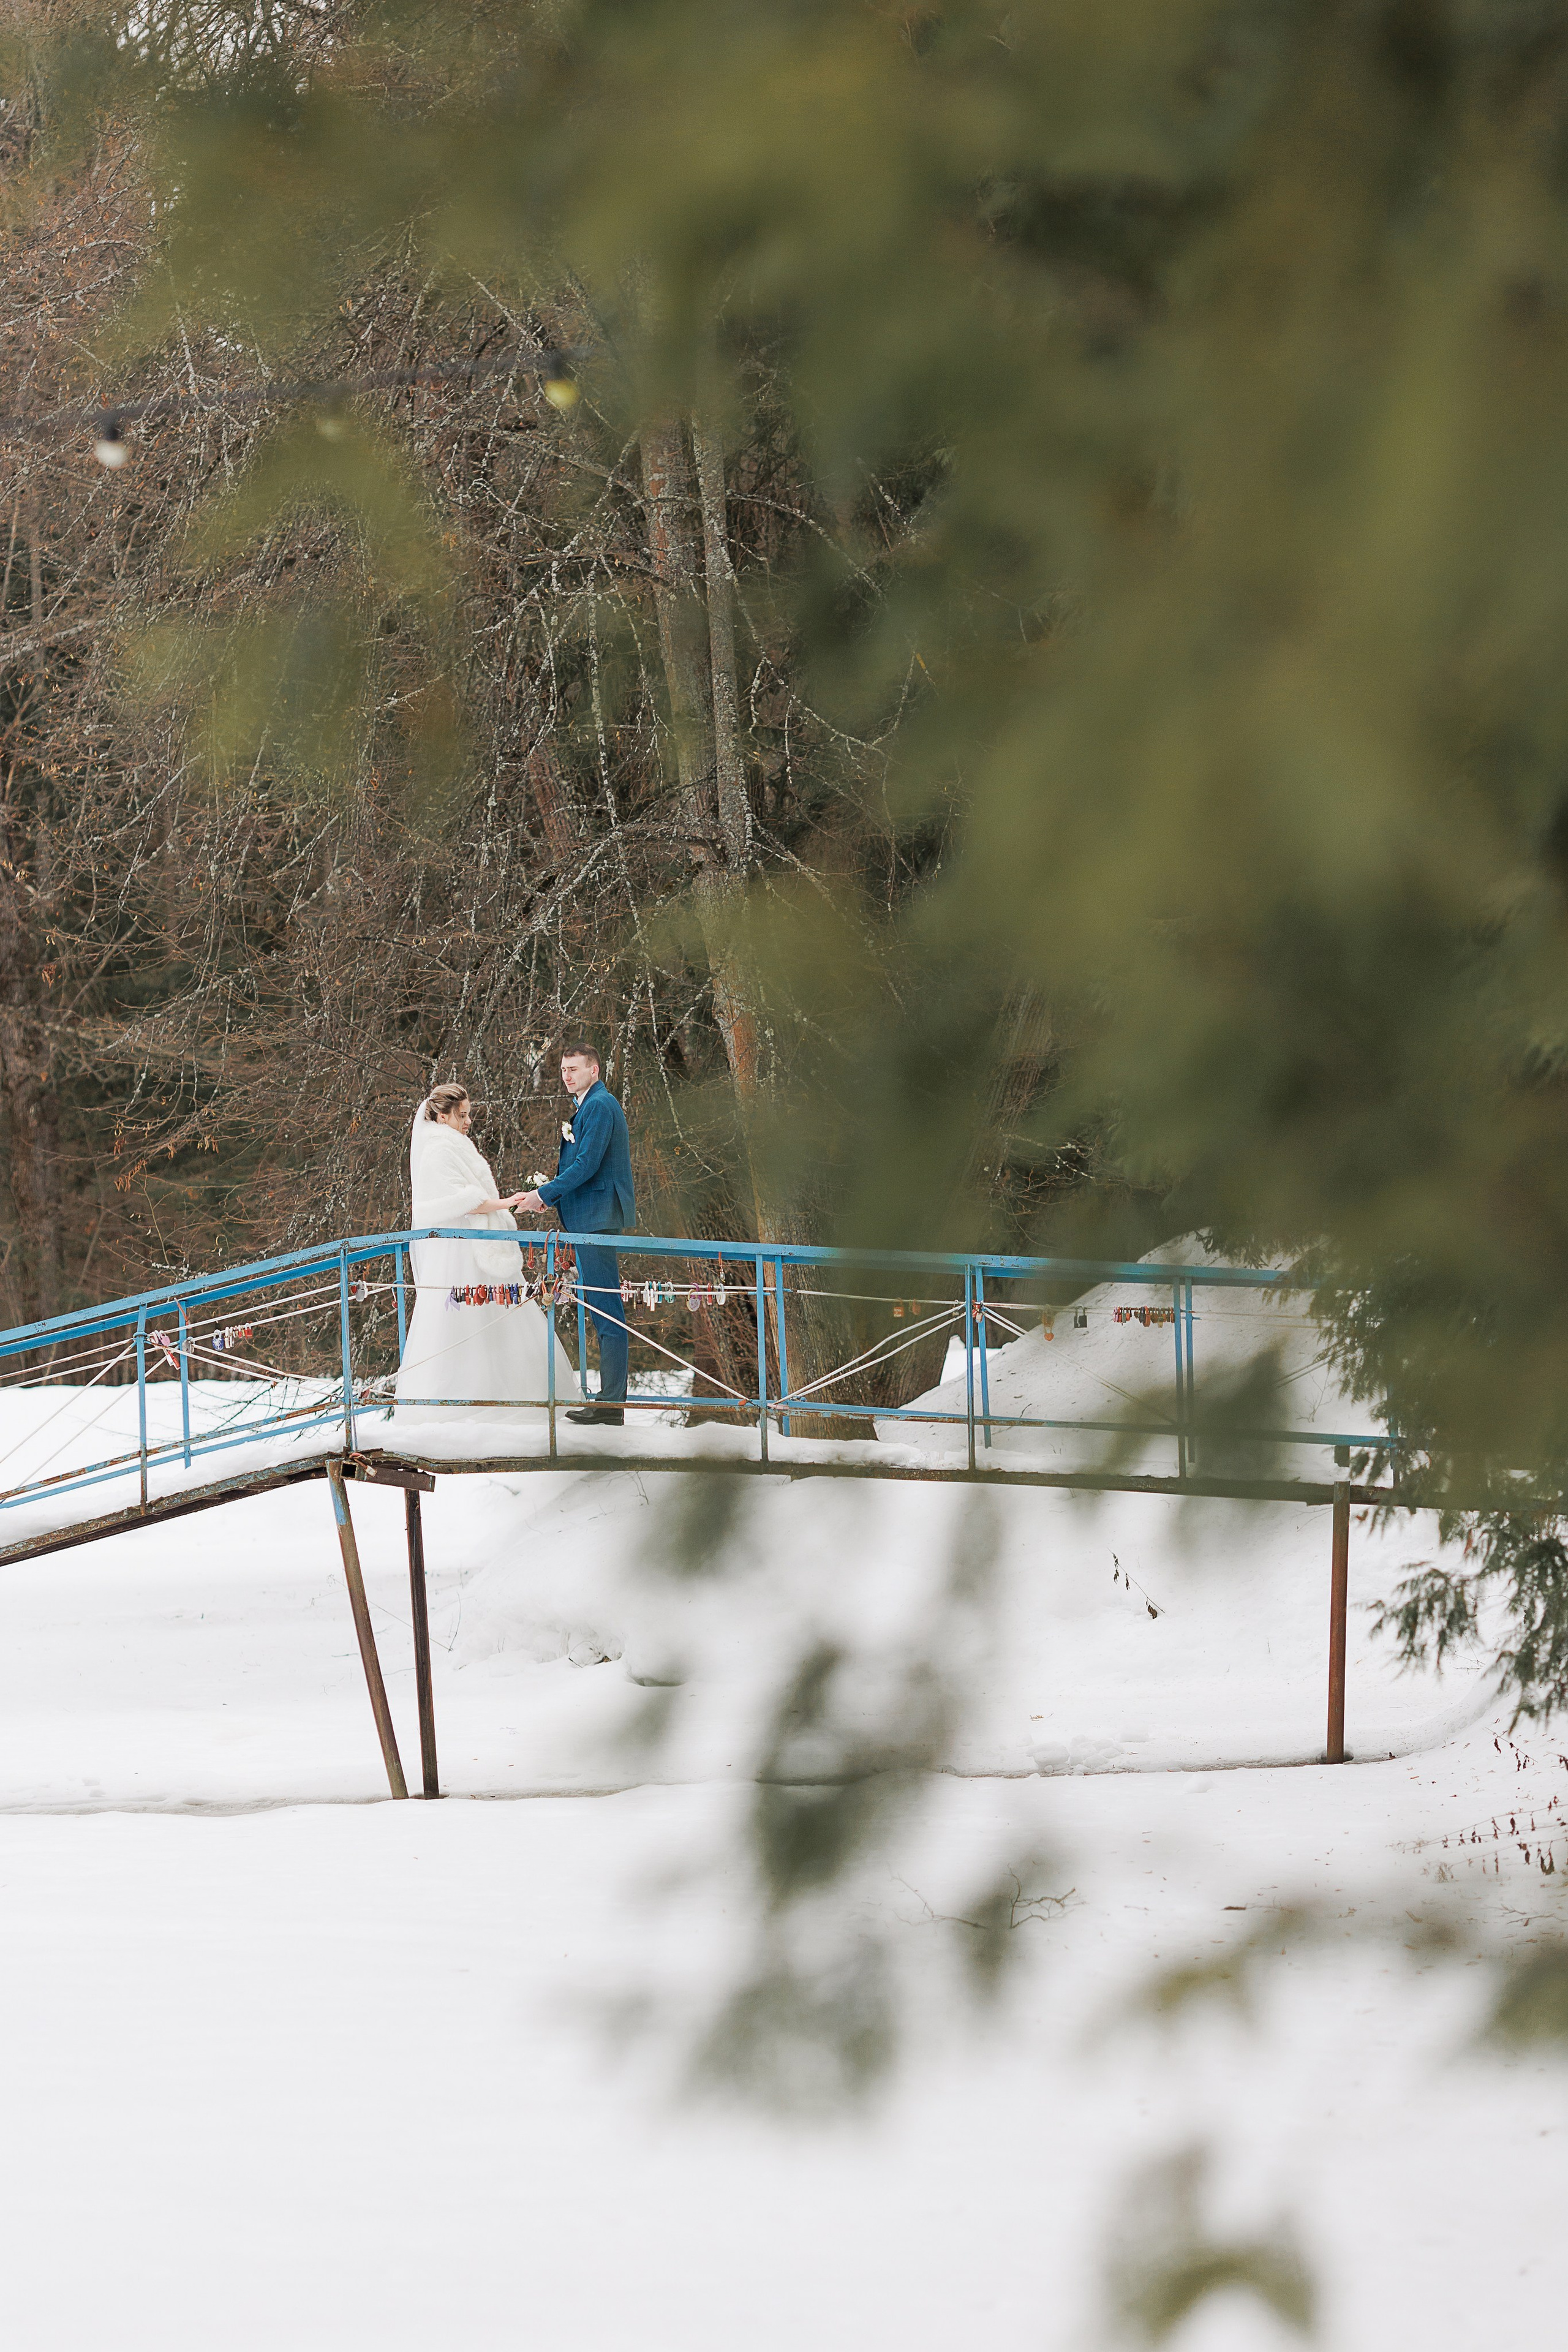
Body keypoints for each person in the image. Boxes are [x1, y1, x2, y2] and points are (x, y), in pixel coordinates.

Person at [394, 1082, 578, 1423]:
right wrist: (508, 1202)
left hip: (476, 1245)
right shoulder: (438, 1150)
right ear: (442, 1115)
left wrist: (510, 1206)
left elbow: (475, 1202)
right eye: (462, 1115)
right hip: (460, 1254)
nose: (468, 1122)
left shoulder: (455, 1145)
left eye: (468, 1115)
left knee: (497, 1318)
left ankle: (508, 1400)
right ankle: (465, 1408)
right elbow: (464, 1202)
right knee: (465, 1319)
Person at [514, 1042, 635, 1427]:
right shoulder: (586, 1105)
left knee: (606, 1310)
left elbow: (586, 1164)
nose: (567, 1075)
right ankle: (609, 1402)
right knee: (601, 1307)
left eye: (575, 1069)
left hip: (597, 1217)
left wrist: (544, 1195)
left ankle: (611, 1404)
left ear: (594, 1070)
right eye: (564, 1069)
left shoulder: (600, 1105)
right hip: (589, 1216)